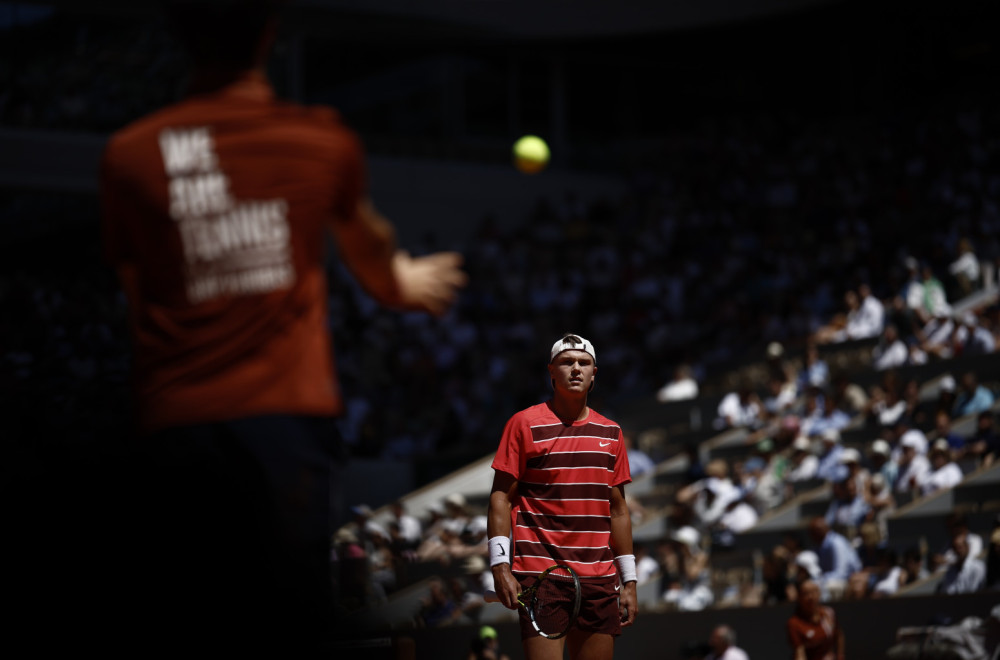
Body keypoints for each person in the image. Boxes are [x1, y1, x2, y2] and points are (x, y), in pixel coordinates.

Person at [98, 0, 467, 652]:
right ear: (270, 32)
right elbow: (372, 254)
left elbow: (136, 296)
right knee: (290, 613)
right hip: (284, 425)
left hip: (174, 422)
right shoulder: (321, 140)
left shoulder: (127, 157)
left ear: (176, 32)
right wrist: (399, 282)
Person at [487, 334, 636, 660]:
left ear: (594, 373)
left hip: (600, 581)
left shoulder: (612, 433)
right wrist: (499, 565)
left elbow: (618, 510)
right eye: (567, 362)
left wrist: (630, 581)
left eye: (584, 363)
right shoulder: (523, 424)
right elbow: (501, 497)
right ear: (551, 371)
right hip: (542, 577)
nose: (576, 369)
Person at [786, 580, 845, 660]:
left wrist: (840, 656)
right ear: (799, 597)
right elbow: (800, 653)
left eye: (814, 592)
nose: (811, 597)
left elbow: (839, 635)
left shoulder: (829, 613)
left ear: (819, 594)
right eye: (806, 593)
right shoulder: (794, 623)